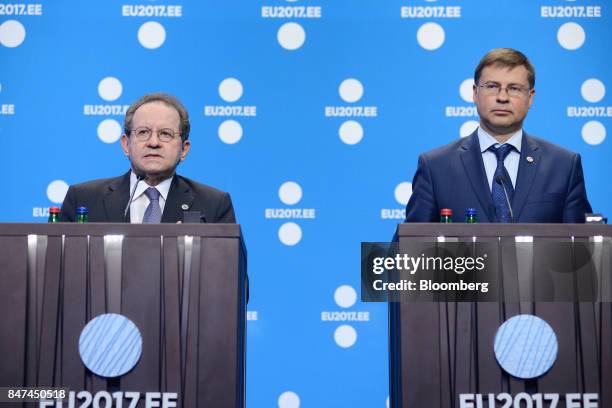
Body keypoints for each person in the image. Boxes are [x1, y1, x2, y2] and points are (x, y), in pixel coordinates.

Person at [405, 48, 592, 223]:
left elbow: (583, 250)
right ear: (475, 93)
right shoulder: (436, 167)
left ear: (531, 97)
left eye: (514, 88)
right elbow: (410, 248)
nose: (502, 97)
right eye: (492, 86)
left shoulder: (563, 166)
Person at [60, 93, 235, 223]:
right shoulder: (83, 199)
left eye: (165, 134)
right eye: (143, 132)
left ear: (184, 149)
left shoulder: (214, 205)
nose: (153, 142)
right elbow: (55, 268)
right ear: (125, 144)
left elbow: (230, 271)